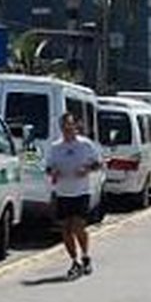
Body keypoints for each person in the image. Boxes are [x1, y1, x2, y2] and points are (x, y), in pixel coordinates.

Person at [45, 112, 103, 280]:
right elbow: (48, 167)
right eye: (64, 127)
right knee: (65, 230)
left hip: (81, 192)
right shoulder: (56, 147)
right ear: (61, 129)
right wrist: (53, 172)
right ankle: (75, 261)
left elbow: (99, 164)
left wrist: (86, 169)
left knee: (78, 226)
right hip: (63, 192)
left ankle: (85, 255)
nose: (67, 129)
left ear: (75, 126)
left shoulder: (85, 145)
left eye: (70, 126)